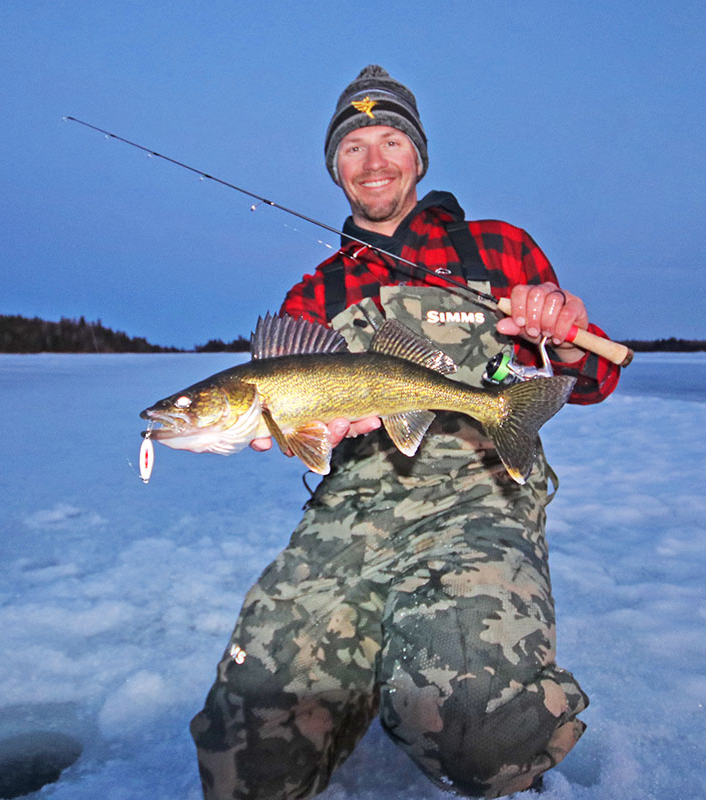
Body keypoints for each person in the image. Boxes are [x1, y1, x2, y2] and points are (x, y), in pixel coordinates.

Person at [189, 65, 620, 799]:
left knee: (479, 727)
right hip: (351, 503)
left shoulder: (499, 247)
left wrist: (566, 339)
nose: (375, 161)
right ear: (335, 169)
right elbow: (305, 412)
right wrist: (283, 429)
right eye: (352, 148)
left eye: (391, 140)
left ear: (419, 156)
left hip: (479, 494)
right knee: (244, 754)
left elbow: (593, 381)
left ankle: (507, 761)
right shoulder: (314, 293)